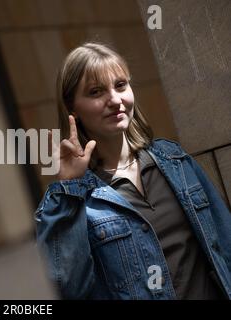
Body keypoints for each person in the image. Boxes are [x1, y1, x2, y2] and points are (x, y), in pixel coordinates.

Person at [35, 42, 231, 300]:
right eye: (96, 92)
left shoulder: (175, 161)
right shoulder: (73, 198)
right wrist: (68, 188)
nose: (115, 100)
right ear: (73, 108)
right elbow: (66, 287)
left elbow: (226, 245)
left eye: (120, 85)